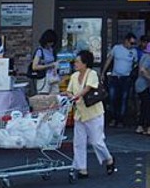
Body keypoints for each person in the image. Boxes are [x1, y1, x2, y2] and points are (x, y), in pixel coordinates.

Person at [67, 49, 117, 178]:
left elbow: (88, 88)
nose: (75, 64)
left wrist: (76, 96)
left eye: (77, 61)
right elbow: (69, 90)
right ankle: (82, 168)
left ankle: (109, 159)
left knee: (96, 141)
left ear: (85, 63)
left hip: (93, 113)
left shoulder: (92, 74)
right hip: (79, 113)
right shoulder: (73, 76)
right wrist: (70, 95)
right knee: (78, 142)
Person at [102, 32, 139, 128]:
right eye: (131, 43)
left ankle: (120, 119)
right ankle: (113, 118)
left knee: (124, 99)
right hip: (115, 77)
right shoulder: (116, 48)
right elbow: (109, 59)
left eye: (134, 44)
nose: (132, 45)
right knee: (112, 98)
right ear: (126, 41)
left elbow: (135, 63)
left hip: (126, 78)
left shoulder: (134, 52)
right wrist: (103, 72)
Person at [134, 39, 150, 137]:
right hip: (143, 85)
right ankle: (149, 127)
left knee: (144, 106)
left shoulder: (143, 57)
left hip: (141, 85)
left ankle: (140, 126)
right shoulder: (147, 58)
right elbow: (142, 70)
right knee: (148, 106)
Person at [29, 29, 60, 95]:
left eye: (52, 42)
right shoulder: (40, 51)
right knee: (43, 97)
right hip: (43, 78)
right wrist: (49, 66)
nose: (51, 44)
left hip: (53, 77)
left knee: (54, 96)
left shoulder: (52, 50)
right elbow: (34, 67)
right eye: (49, 42)